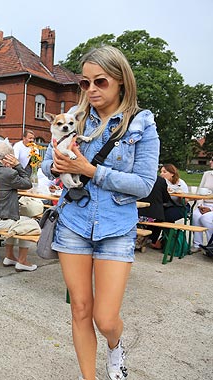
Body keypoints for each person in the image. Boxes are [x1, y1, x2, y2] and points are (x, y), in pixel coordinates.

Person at [41, 46, 159, 380]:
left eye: (101, 82)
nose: (91, 89)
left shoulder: (141, 124)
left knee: (105, 318)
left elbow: (145, 185)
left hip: (116, 226)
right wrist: (56, 163)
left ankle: (115, 345)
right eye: (85, 82)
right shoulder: (75, 119)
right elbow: (50, 164)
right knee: (80, 309)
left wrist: (92, 171)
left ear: (120, 81)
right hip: (74, 222)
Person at [0, 139, 37, 271]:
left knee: (17, 219)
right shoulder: (9, 173)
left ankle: (10, 256)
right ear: (7, 158)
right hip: (1, 222)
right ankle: (22, 261)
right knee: (29, 223)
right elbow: (27, 183)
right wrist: (17, 165)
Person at [137, 176, 172, 248]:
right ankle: (152, 240)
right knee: (160, 217)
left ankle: (141, 239)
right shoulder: (161, 180)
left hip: (136, 214)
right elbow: (166, 198)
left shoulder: (136, 177)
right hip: (153, 217)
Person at [191, 158, 213, 252]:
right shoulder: (207, 174)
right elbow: (200, 191)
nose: (210, 162)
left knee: (206, 218)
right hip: (204, 204)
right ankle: (197, 244)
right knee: (195, 215)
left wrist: (210, 210)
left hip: (211, 208)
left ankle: (210, 245)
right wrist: (200, 205)